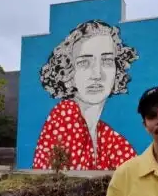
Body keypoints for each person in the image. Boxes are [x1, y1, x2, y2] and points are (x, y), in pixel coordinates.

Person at [32, 20, 139, 170]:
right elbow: (69, 185)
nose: (97, 74)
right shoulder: (65, 115)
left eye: (107, 61)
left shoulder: (109, 138)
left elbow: (135, 176)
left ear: (117, 69)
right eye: (84, 63)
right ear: (68, 73)